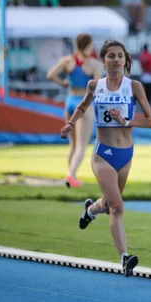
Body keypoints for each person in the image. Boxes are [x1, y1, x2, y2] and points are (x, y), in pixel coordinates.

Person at [60, 39, 151, 276]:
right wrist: (70, 124)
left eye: (119, 55)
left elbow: (150, 121)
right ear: (102, 60)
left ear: (125, 60)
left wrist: (126, 121)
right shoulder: (95, 85)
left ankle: (91, 210)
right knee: (117, 206)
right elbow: (82, 106)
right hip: (103, 154)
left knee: (110, 203)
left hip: (126, 154)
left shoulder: (134, 87)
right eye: (110, 56)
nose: (115, 60)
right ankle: (125, 258)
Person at [47, 34, 103, 188]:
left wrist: (63, 83)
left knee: (73, 144)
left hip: (70, 101)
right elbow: (97, 87)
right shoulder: (93, 64)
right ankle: (71, 176)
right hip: (83, 103)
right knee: (81, 145)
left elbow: (50, 75)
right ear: (89, 45)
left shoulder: (68, 61)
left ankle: (71, 175)